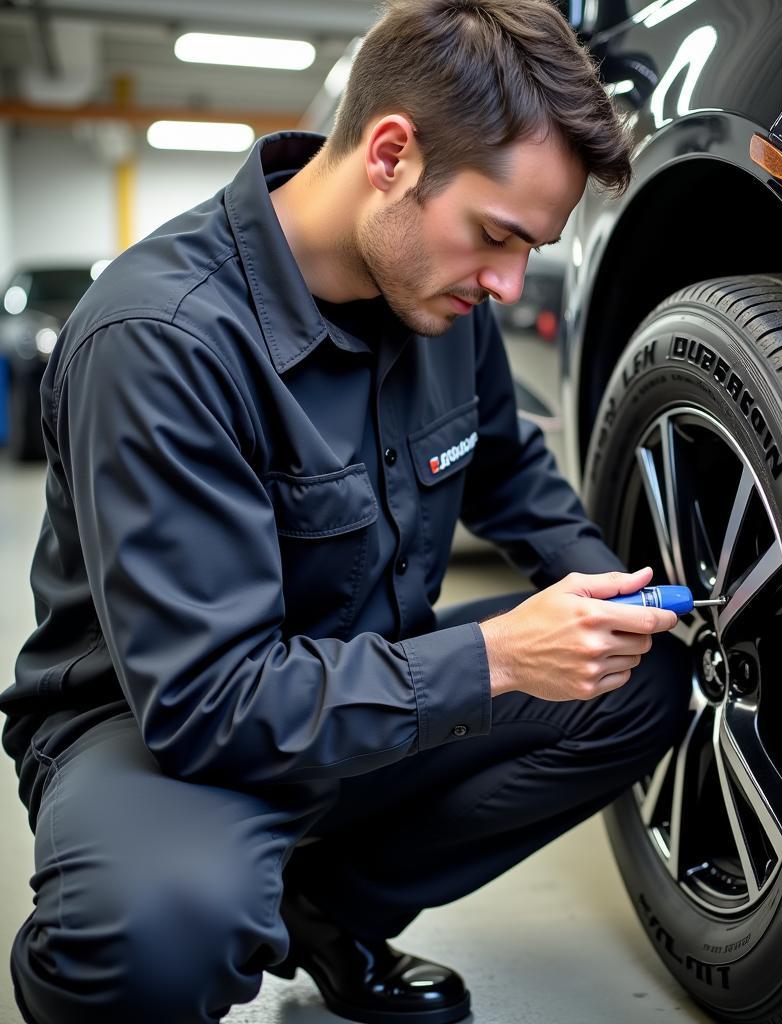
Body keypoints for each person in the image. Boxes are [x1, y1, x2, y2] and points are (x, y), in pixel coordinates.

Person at [0, 2, 690, 1022]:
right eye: (496, 235)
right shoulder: (162, 339)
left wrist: (609, 597)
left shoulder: (440, 297)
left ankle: (324, 910)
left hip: (367, 690)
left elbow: (506, 471)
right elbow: (206, 704)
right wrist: (498, 655)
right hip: (161, 731)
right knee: (154, 931)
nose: (507, 283)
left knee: (637, 679)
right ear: (392, 154)